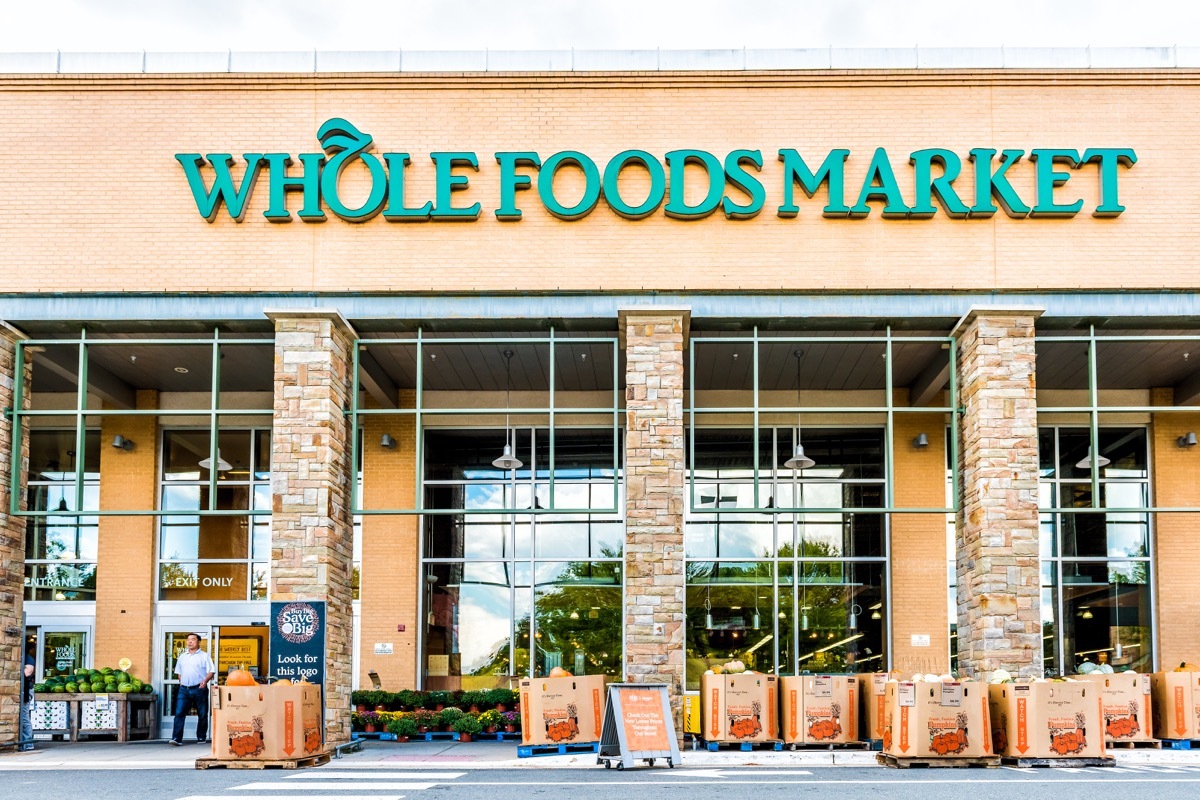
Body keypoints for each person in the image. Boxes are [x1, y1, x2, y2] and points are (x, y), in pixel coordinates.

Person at [170, 633, 216, 746]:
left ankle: (201, 737)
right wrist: (181, 682)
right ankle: (176, 738)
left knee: (202, 714)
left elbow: (211, 671)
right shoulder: (182, 656)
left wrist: (205, 681)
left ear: (199, 642)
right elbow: (179, 672)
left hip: (199, 688)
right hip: (184, 689)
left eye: (193, 640)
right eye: (188, 640)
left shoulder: (204, 656)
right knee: (179, 713)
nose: (190, 642)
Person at [20, 649, 35, 751]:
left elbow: (28, 671)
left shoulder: (27, 657)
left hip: (26, 690)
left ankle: (28, 743)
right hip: (20, 690)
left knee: (24, 715)